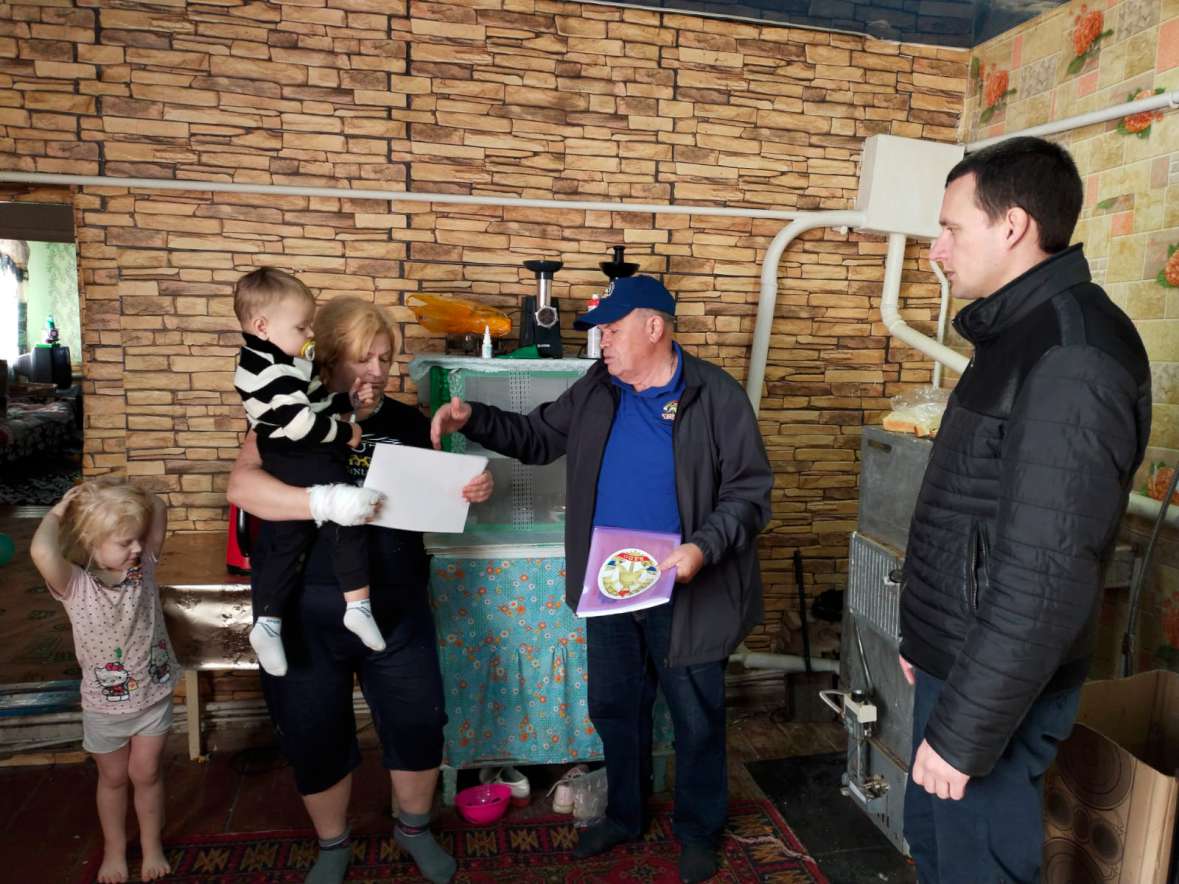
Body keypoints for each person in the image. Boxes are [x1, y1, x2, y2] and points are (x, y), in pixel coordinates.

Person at [430, 275, 773, 884]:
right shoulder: (598, 388)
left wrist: (702, 547)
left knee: (695, 717)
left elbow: (749, 494)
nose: (602, 343)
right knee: (616, 707)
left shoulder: (715, 395)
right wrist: (473, 417)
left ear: (654, 327)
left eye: (611, 330)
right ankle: (624, 815)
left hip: (686, 585)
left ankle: (698, 831)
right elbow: (537, 437)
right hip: (611, 581)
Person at [898, 136, 1152, 883]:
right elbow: (974, 512)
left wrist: (963, 732)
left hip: (995, 693)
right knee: (935, 851)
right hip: (961, 664)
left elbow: (1046, 572)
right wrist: (924, 638)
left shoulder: (1071, 354)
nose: (937, 250)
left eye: (951, 228)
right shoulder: (1016, 333)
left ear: (1012, 226)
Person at [228, 297, 493, 884]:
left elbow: (436, 497)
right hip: (306, 607)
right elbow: (243, 489)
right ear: (326, 355)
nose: (376, 371)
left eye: (385, 359)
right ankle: (333, 844)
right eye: (362, 358)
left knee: (419, 721)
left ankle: (414, 829)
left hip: (396, 602)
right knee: (313, 731)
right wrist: (328, 503)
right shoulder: (293, 416)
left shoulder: (404, 420)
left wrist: (472, 488)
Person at [232, 267, 385, 677]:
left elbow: (317, 403)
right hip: (296, 453)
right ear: (262, 326)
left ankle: (270, 622)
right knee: (345, 516)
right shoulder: (271, 369)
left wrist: (347, 404)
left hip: (295, 452)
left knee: (289, 541)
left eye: (384, 359)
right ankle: (354, 606)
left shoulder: (286, 363)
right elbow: (301, 425)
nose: (308, 335)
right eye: (301, 328)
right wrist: (347, 432)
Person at [30, 479, 178, 884]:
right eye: (125, 541)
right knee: (113, 779)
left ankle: (151, 846)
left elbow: (158, 508)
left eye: (138, 538)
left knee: (147, 774)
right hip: (104, 708)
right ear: (92, 542)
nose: (137, 547)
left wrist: (127, 494)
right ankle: (114, 850)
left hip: (153, 696)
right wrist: (59, 511)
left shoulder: (143, 566)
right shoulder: (74, 584)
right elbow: (41, 551)